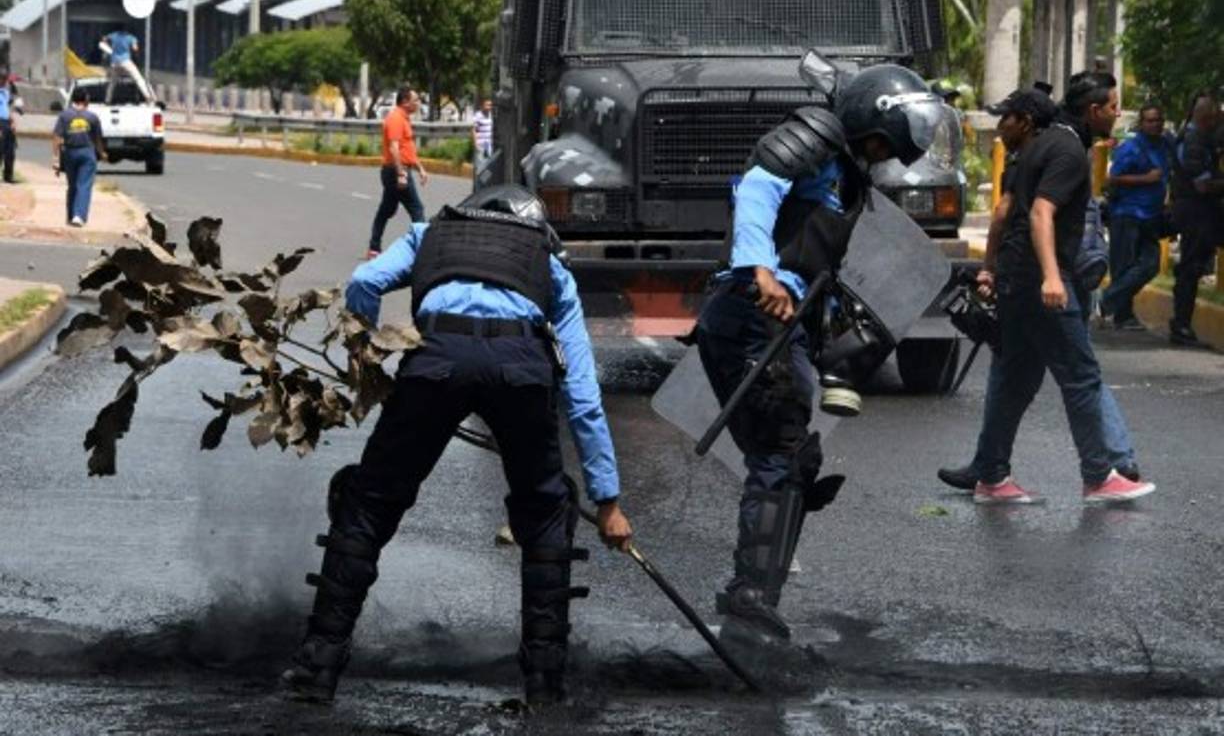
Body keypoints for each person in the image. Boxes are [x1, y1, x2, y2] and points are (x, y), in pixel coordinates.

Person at [282, 185, 633, 705]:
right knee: (544, 513)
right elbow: (582, 395)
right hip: (520, 370)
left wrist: (365, 363)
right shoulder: (550, 265)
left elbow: (365, 280)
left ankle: (318, 669)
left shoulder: (429, 234)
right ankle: (544, 687)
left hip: (435, 360)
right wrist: (607, 502)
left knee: (369, 503)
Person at [696, 63, 954, 642]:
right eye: (881, 141)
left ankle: (757, 594)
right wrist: (757, 266)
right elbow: (759, 186)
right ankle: (749, 598)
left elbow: (819, 258)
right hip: (751, 310)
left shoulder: (845, 171)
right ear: (869, 114)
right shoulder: (814, 132)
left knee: (787, 459)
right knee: (781, 456)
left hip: (777, 320)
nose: (880, 153)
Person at [946, 72, 1155, 505]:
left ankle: (991, 477)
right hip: (1039, 281)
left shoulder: (1039, 146)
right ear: (1094, 110)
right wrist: (1053, 276)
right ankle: (1099, 476)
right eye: (1114, 107)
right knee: (1081, 376)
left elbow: (1010, 213)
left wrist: (997, 271)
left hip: (1017, 280)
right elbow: (1041, 214)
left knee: (1016, 380)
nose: (1118, 114)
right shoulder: (1066, 151)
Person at [1099, 103, 1170, 331]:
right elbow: (1113, 180)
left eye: (1158, 120)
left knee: (1150, 265)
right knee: (1123, 265)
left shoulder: (1165, 145)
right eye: (1150, 120)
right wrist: (1146, 179)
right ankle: (1123, 315)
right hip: (1127, 214)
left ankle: (1107, 300)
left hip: (1152, 214)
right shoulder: (1131, 147)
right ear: (1141, 123)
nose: (1155, 124)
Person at [1168, 92, 1223, 348]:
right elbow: (1202, 185)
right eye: (1215, 114)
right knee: (1191, 267)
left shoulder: (1200, 138)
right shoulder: (1193, 141)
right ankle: (1180, 325)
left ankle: (1181, 323)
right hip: (1195, 211)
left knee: (1193, 266)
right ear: (1208, 116)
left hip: (1201, 211)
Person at [367, 85, 429, 259]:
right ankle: (422, 248)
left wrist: (420, 169)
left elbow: (406, 149)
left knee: (386, 210)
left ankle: (374, 247)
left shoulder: (404, 119)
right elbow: (394, 149)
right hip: (395, 170)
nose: (418, 103)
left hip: (396, 169)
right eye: (415, 100)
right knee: (416, 208)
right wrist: (401, 174)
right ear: (405, 101)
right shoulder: (395, 119)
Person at [51, 86, 106, 227]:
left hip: (69, 153)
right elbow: (98, 139)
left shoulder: (64, 116)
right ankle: (79, 215)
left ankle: (70, 216)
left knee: (72, 186)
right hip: (87, 153)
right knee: (84, 185)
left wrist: (56, 158)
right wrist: (102, 153)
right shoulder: (92, 117)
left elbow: (57, 137)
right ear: (86, 99)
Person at [99, 29, 154, 104]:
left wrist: (107, 47)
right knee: (138, 78)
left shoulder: (114, 34)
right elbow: (135, 48)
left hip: (115, 62)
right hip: (125, 61)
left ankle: (107, 100)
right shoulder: (131, 37)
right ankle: (148, 97)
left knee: (112, 82)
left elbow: (103, 39)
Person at [0, 70, 19, 184]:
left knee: (10, 151)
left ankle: (8, 176)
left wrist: (13, 122)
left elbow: (9, 108)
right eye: (2, 79)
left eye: (4, 79)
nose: (3, 81)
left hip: (7, 122)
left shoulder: (6, 93)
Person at [472, 97, 493, 164]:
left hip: (489, 143)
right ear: (482, 106)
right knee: (481, 163)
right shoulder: (478, 115)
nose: (489, 107)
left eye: (490, 105)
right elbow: (474, 130)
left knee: (490, 163)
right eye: (487, 105)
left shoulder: (491, 115)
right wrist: (476, 143)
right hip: (481, 143)